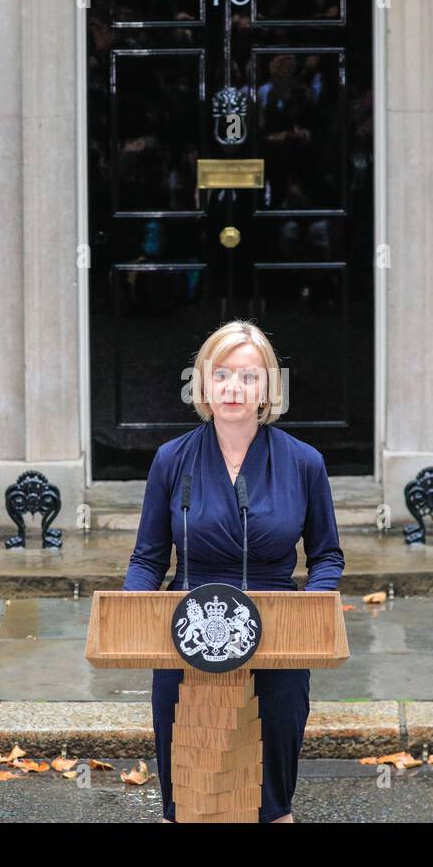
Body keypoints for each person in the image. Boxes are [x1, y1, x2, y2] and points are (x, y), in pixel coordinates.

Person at [121, 320, 345, 823]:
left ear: (269, 386)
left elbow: (327, 556)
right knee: (189, 800)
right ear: (202, 383)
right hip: (187, 636)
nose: (233, 388)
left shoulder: (304, 463)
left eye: (248, 376)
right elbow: (148, 558)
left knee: (268, 802)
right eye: (221, 374)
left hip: (279, 639)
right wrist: (131, 612)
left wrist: (313, 612)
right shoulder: (170, 460)